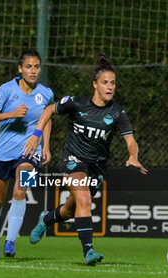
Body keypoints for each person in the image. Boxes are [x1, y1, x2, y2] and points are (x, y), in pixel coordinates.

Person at [23, 53, 147, 265]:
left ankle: (46, 219)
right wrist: (36, 136)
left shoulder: (118, 112)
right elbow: (49, 109)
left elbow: (130, 140)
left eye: (113, 83)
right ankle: (88, 251)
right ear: (94, 84)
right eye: (105, 82)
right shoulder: (77, 103)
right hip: (72, 159)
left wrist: (133, 155)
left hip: (96, 167)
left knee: (71, 209)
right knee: (84, 200)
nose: (110, 87)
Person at [0, 50, 54, 260]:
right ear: (20, 69)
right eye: (29, 67)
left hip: (30, 153)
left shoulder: (46, 93)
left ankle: (10, 242)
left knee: (20, 190)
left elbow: (47, 118)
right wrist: (11, 114)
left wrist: (45, 146)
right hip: (2, 153)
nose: (33, 71)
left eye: (36, 67)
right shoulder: (6, 90)